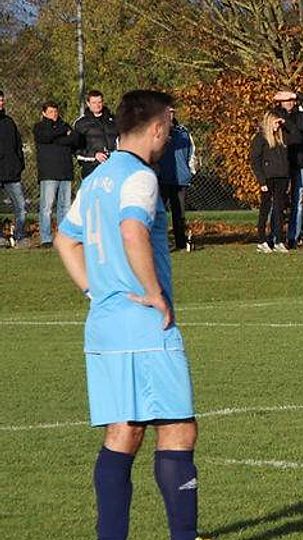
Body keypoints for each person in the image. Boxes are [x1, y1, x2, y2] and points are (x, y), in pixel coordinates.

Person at [53, 90, 203, 540]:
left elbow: (65, 239)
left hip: (104, 325)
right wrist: (154, 293)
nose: (170, 136)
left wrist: (94, 290)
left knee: (124, 430)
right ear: (156, 128)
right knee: (178, 428)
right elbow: (133, 229)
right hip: (144, 325)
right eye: (169, 126)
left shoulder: (98, 178)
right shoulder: (140, 176)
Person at [273, 90, 303, 249]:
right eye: (287, 100)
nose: (290, 102)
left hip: (301, 161)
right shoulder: (277, 114)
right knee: (278, 200)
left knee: (297, 200)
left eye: (292, 100)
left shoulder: (302, 115)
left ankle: (293, 237)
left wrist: (296, 94)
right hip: (283, 161)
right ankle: (275, 236)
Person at [33, 100, 78, 247]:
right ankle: (46, 238)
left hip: (65, 171)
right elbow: (45, 137)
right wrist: (62, 133)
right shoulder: (39, 127)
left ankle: (63, 237)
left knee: (65, 207)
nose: (54, 114)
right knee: (47, 207)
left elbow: (74, 139)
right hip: (49, 173)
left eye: (55, 111)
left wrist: (59, 137)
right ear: (44, 113)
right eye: (50, 112)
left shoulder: (65, 125)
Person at [250, 110, 293, 253]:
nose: (277, 126)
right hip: (268, 178)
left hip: (282, 177)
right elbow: (255, 161)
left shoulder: (282, 137)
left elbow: (297, 137)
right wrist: (261, 181)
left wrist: (286, 123)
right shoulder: (260, 138)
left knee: (279, 209)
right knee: (265, 209)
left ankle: (278, 240)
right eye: (275, 123)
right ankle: (262, 240)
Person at [157, 110, 198, 251]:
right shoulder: (156, 132)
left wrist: (190, 171)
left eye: (171, 112)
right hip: (162, 178)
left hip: (180, 179)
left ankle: (181, 242)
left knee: (179, 213)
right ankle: (159, 242)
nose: (169, 115)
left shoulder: (183, 132)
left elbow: (192, 152)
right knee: (159, 213)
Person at [0, 90, 27, 247]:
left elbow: (18, 145)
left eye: (2, 100)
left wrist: (19, 164)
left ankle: (20, 236)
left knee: (21, 206)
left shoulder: (9, 122)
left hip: (11, 173)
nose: (1, 103)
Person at [74, 89, 118, 179]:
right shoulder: (81, 123)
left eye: (99, 102)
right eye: (94, 102)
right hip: (91, 169)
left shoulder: (113, 120)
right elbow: (76, 149)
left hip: (112, 167)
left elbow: (121, 142)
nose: (97, 105)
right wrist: (94, 155)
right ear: (88, 103)